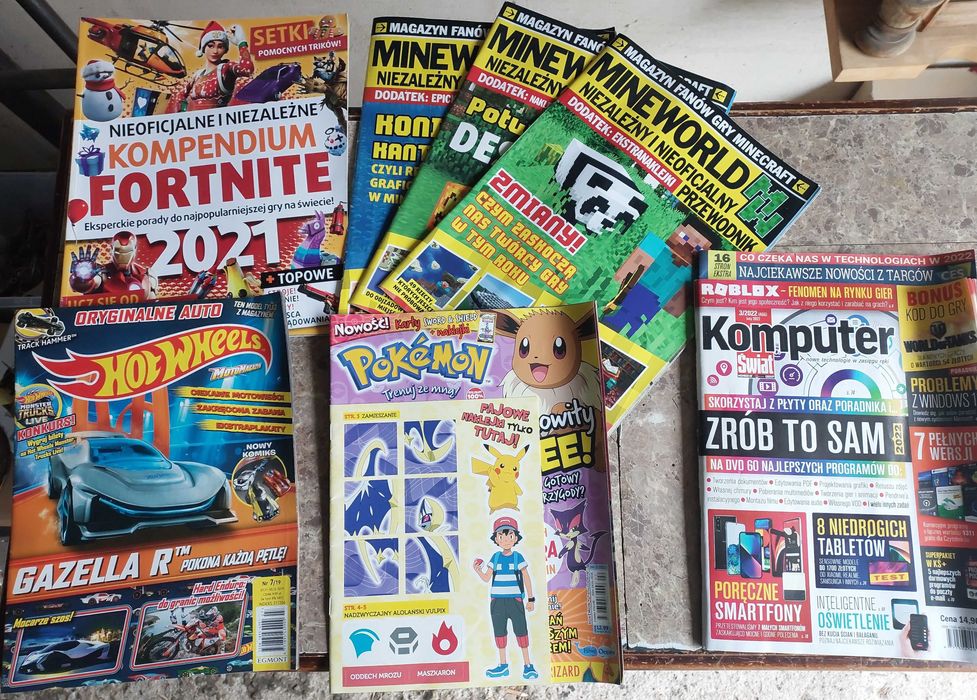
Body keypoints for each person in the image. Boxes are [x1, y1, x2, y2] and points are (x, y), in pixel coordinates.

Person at [472, 516, 538, 680]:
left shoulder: (518, 558)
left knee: (521, 632)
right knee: (500, 633)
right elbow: (486, 578)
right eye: (501, 536)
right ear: (496, 539)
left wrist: (531, 599)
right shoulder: (495, 557)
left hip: (515, 600)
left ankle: (528, 665)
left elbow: (526, 577)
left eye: (510, 535)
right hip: (497, 601)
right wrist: (478, 570)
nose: (506, 539)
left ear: (515, 538)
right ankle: (503, 666)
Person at [167, 20, 253, 112]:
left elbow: (246, 69)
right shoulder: (197, 75)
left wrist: (241, 43)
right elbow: (179, 95)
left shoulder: (225, 69)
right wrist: (183, 112)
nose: (215, 51)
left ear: (225, 50)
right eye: (210, 46)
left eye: (220, 46)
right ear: (203, 48)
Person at [68, 231, 157, 298]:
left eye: (127, 251)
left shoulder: (146, 274)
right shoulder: (100, 271)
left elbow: (152, 302)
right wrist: (81, 277)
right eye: (118, 251)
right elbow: (85, 286)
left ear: (135, 248)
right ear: (112, 249)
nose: (123, 255)